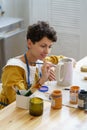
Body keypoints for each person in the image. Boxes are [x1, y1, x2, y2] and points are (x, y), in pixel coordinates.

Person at [0, 21, 74, 109]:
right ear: (30, 43)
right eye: (43, 46)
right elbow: (20, 102)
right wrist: (42, 81)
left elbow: (67, 60)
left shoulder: (40, 60)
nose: (47, 52)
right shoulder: (13, 69)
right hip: (9, 114)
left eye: (50, 47)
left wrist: (54, 69)